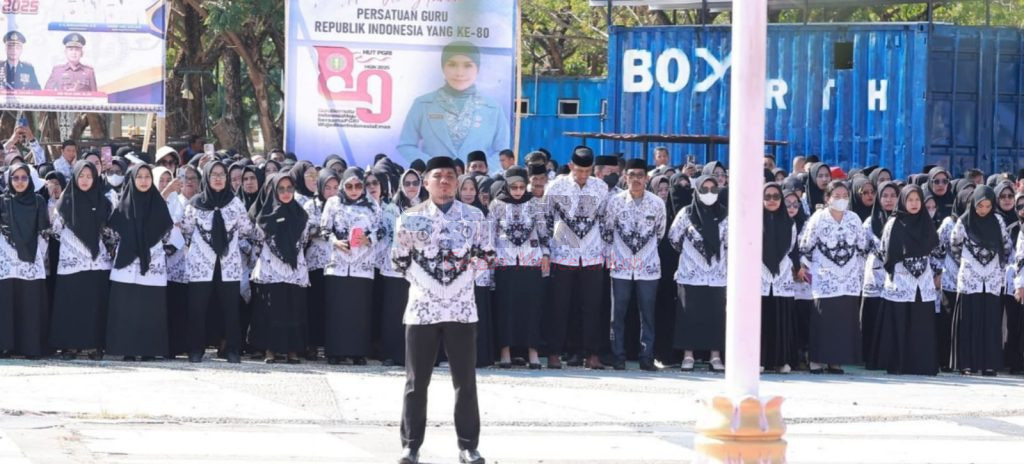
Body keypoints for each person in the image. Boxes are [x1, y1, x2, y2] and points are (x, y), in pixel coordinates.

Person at [391, 156, 490, 464]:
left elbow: (486, 255)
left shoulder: (474, 217)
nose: (444, 181)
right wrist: (430, 286)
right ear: (426, 182)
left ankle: (468, 446)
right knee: (416, 382)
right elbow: (399, 260)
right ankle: (411, 446)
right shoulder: (411, 217)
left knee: (465, 381)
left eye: (450, 176)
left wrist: (458, 283)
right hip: (423, 309)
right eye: (438, 176)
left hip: (461, 308)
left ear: (457, 181)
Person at [544, 146, 609, 370]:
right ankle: (554, 352)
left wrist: (604, 250)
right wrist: (547, 250)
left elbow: (605, 219)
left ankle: (592, 354)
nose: (583, 175)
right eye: (579, 170)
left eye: (587, 171)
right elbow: (546, 218)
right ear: (571, 166)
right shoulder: (556, 186)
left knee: (592, 306)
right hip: (562, 253)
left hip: (592, 254)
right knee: (559, 305)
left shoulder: (600, 187)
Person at [181, 161, 252, 364]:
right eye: (214, 174)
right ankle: (196, 349)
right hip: (201, 264)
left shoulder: (235, 203)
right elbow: (186, 229)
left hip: (228, 264)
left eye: (222, 174)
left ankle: (232, 349)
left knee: (230, 309)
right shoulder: (195, 203)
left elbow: (246, 229)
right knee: (197, 308)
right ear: (206, 177)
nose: (218, 178)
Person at [397, 41, 510, 167]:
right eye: (452, 65)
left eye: (467, 66)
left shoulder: (493, 109)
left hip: (478, 179)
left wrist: (481, 170)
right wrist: (433, 166)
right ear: (443, 68)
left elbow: (503, 152)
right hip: (434, 178)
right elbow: (406, 145)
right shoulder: (422, 104)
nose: (459, 73)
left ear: (477, 69)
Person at [799, 180, 867, 374]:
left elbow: (862, 246)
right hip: (825, 277)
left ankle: (836, 361)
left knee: (843, 321)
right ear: (827, 198)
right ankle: (816, 360)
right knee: (823, 319)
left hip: (849, 278)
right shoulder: (818, 218)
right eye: (836, 196)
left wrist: (858, 271)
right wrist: (806, 268)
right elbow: (806, 246)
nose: (841, 200)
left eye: (845, 196)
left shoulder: (854, 218)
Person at [603, 159, 665, 371]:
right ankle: (618, 356)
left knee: (647, 314)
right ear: (625, 177)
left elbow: (660, 232)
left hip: (648, 267)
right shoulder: (615, 202)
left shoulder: (657, 203)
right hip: (620, 265)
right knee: (617, 314)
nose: (636, 179)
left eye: (640, 175)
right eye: (632, 175)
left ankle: (646, 357)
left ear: (646, 178)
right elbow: (608, 231)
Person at [106, 164, 173, 361]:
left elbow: (167, 233)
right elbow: (112, 232)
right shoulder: (123, 204)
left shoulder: (159, 204)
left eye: (147, 177)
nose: (144, 181)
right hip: (126, 263)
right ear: (132, 180)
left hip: (152, 261)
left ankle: (149, 349)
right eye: (139, 177)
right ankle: (126, 349)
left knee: (150, 308)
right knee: (126, 307)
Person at [49, 161, 112, 360]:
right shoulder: (64, 202)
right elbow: (55, 230)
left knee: (94, 304)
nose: (85, 180)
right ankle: (69, 346)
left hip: (96, 261)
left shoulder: (104, 202)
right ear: (75, 178)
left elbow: (109, 231)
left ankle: (94, 346)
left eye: (89, 176)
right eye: (81, 176)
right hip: (71, 260)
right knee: (71, 303)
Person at [875, 185, 941, 376]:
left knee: (921, 324)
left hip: (923, 282)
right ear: (903, 201)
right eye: (910, 200)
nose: (914, 204)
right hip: (901, 280)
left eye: (917, 200)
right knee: (900, 322)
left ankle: (922, 364)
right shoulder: (894, 223)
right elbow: (884, 250)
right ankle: (899, 364)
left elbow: (935, 250)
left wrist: (937, 273)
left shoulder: (926, 222)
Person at [320, 167, 381, 365]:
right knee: (337, 310)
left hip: (362, 266)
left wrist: (368, 239)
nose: (354, 190)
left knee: (359, 311)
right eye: (349, 186)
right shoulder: (333, 203)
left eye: (358, 186)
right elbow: (324, 229)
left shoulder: (372, 205)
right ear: (342, 186)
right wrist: (335, 242)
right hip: (338, 264)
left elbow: (381, 230)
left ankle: (357, 352)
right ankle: (335, 352)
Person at [248, 173, 311, 364]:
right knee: (271, 309)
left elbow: (304, 241)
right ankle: (270, 349)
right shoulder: (264, 217)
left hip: (294, 270)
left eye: (289, 188)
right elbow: (258, 242)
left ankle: (292, 350)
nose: (286, 192)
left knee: (293, 308)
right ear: (274, 191)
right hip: (271, 268)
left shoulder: (301, 215)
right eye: (281, 189)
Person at [491, 166, 549, 370]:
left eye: (521, 187)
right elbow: (490, 233)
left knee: (532, 307)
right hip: (504, 261)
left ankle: (533, 351)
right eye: (513, 187)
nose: (518, 191)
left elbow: (543, 232)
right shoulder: (497, 204)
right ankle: (505, 351)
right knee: (505, 307)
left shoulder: (534, 203)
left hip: (530, 261)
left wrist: (546, 254)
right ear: (506, 186)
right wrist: (490, 257)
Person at [669, 174, 728, 372]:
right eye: (704, 189)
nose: (709, 193)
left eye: (713, 189)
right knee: (689, 315)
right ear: (697, 191)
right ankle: (688, 355)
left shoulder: (725, 215)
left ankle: (715, 356)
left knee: (716, 316)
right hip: (690, 273)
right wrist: (693, 255)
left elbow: (729, 242)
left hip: (717, 274)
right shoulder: (686, 213)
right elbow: (674, 238)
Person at [952, 186, 1011, 376]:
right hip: (970, 280)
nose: (983, 210)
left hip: (992, 280)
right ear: (973, 204)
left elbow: (1006, 245)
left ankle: (989, 364)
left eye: (987, 206)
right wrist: (968, 263)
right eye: (980, 206)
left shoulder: (998, 221)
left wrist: (996, 266)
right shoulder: (964, 221)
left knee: (990, 322)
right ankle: (967, 364)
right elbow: (955, 245)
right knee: (969, 321)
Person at [378, 169, 427, 366]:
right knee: (394, 311)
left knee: (417, 311)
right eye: (407, 183)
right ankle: (392, 354)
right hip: (395, 267)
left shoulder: (427, 206)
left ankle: (416, 354)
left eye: (415, 183)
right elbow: (389, 236)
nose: (411, 187)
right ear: (401, 185)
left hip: (420, 268)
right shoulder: (392, 208)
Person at [0, 163, 50, 359]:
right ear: (9, 180)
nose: (20, 182)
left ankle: (31, 347)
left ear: (30, 180)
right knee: (6, 302)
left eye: (24, 177)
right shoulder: (2, 201)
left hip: (32, 258)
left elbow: (44, 230)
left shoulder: (38, 201)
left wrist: (37, 255)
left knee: (30, 303)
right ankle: (5, 345)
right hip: (6, 259)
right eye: (15, 178)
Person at [760, 182, 799, 373]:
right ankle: (758, 360)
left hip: (782, 275)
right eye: (767, 196)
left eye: (776, 196)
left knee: (780, 319)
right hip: (759, 275)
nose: (772, 200)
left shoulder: (790, 223)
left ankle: (781, 360)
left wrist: (795, 267)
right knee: (760, 319)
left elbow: (793, 249)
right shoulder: (753, 221)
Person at [861, 181, 899, 369]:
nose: (889, 200)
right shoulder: (870, 222)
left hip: (897, 276)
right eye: (884, 196)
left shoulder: (903, 220)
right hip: (874, 275)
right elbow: (861, 248)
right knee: (873, 315)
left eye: (893, 196)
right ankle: (870, 357)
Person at [302, 170, 339, 361]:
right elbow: (306, 230)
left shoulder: (342, 205)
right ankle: (313, 344)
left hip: (337, 262)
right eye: (327, 188)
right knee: (315, 305)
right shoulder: (311, 205)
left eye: (335, 188)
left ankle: (331, 344)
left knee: (333, 305)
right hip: (315, 261)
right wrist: (325, 231)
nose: (331, 192)